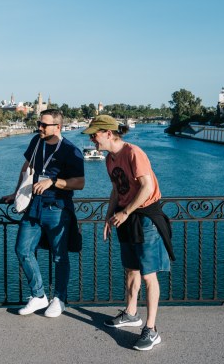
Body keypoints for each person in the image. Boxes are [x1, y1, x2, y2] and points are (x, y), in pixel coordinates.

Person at [82, 115, 174, 352]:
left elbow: (147, 187)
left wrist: (126, 212)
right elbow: (116, 189)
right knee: (131, 269)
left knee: (148, 275)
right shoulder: (110, 159)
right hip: (126, 217)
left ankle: (151, 330)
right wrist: (109, 216)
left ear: (109, 133)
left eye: (95, 134)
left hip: (145, 217)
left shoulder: (133, 153)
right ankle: (132, 313)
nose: (92, 139)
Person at [3, 109, 85, 318]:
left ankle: (59, 299)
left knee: (59, 256)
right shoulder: (36, 141)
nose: (39, 127)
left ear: (58, 127)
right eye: (39, 123)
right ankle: (39, 295)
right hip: (33, 206)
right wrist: (17, 191)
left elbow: (80, 182)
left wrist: (53, 181)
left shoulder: (70, 150)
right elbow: (26, 167)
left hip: (57, 208)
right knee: (22, 249)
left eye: (44, 125)